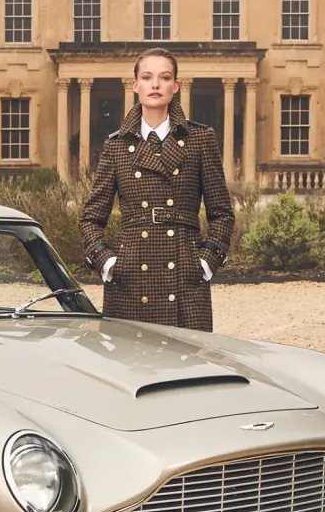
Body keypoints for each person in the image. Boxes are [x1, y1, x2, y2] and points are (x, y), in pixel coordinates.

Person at [79, 48, 234, 331]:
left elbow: (222, 212)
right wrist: (109, 263)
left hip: (185, 277)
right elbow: (91, 218)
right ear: (135, 85)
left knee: (188, 368)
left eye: (164, 77)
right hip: (130, 278)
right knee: (130, 369)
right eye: (147, 77)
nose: (155, 84)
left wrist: (206, 263)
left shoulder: (200, 139)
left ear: (175, 86)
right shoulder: (116, 146)